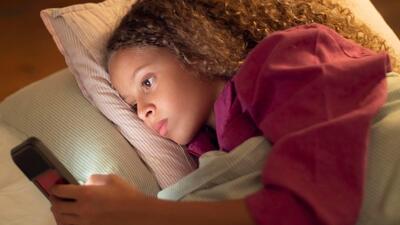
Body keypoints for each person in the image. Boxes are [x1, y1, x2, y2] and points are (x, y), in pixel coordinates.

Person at [49, 0, 393, 224]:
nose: (143, 111)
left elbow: (309, 209)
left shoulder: (288, 56)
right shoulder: (218, 148)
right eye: (133, 105)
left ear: (189, 47)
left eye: (148, 82)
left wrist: (140, 213)